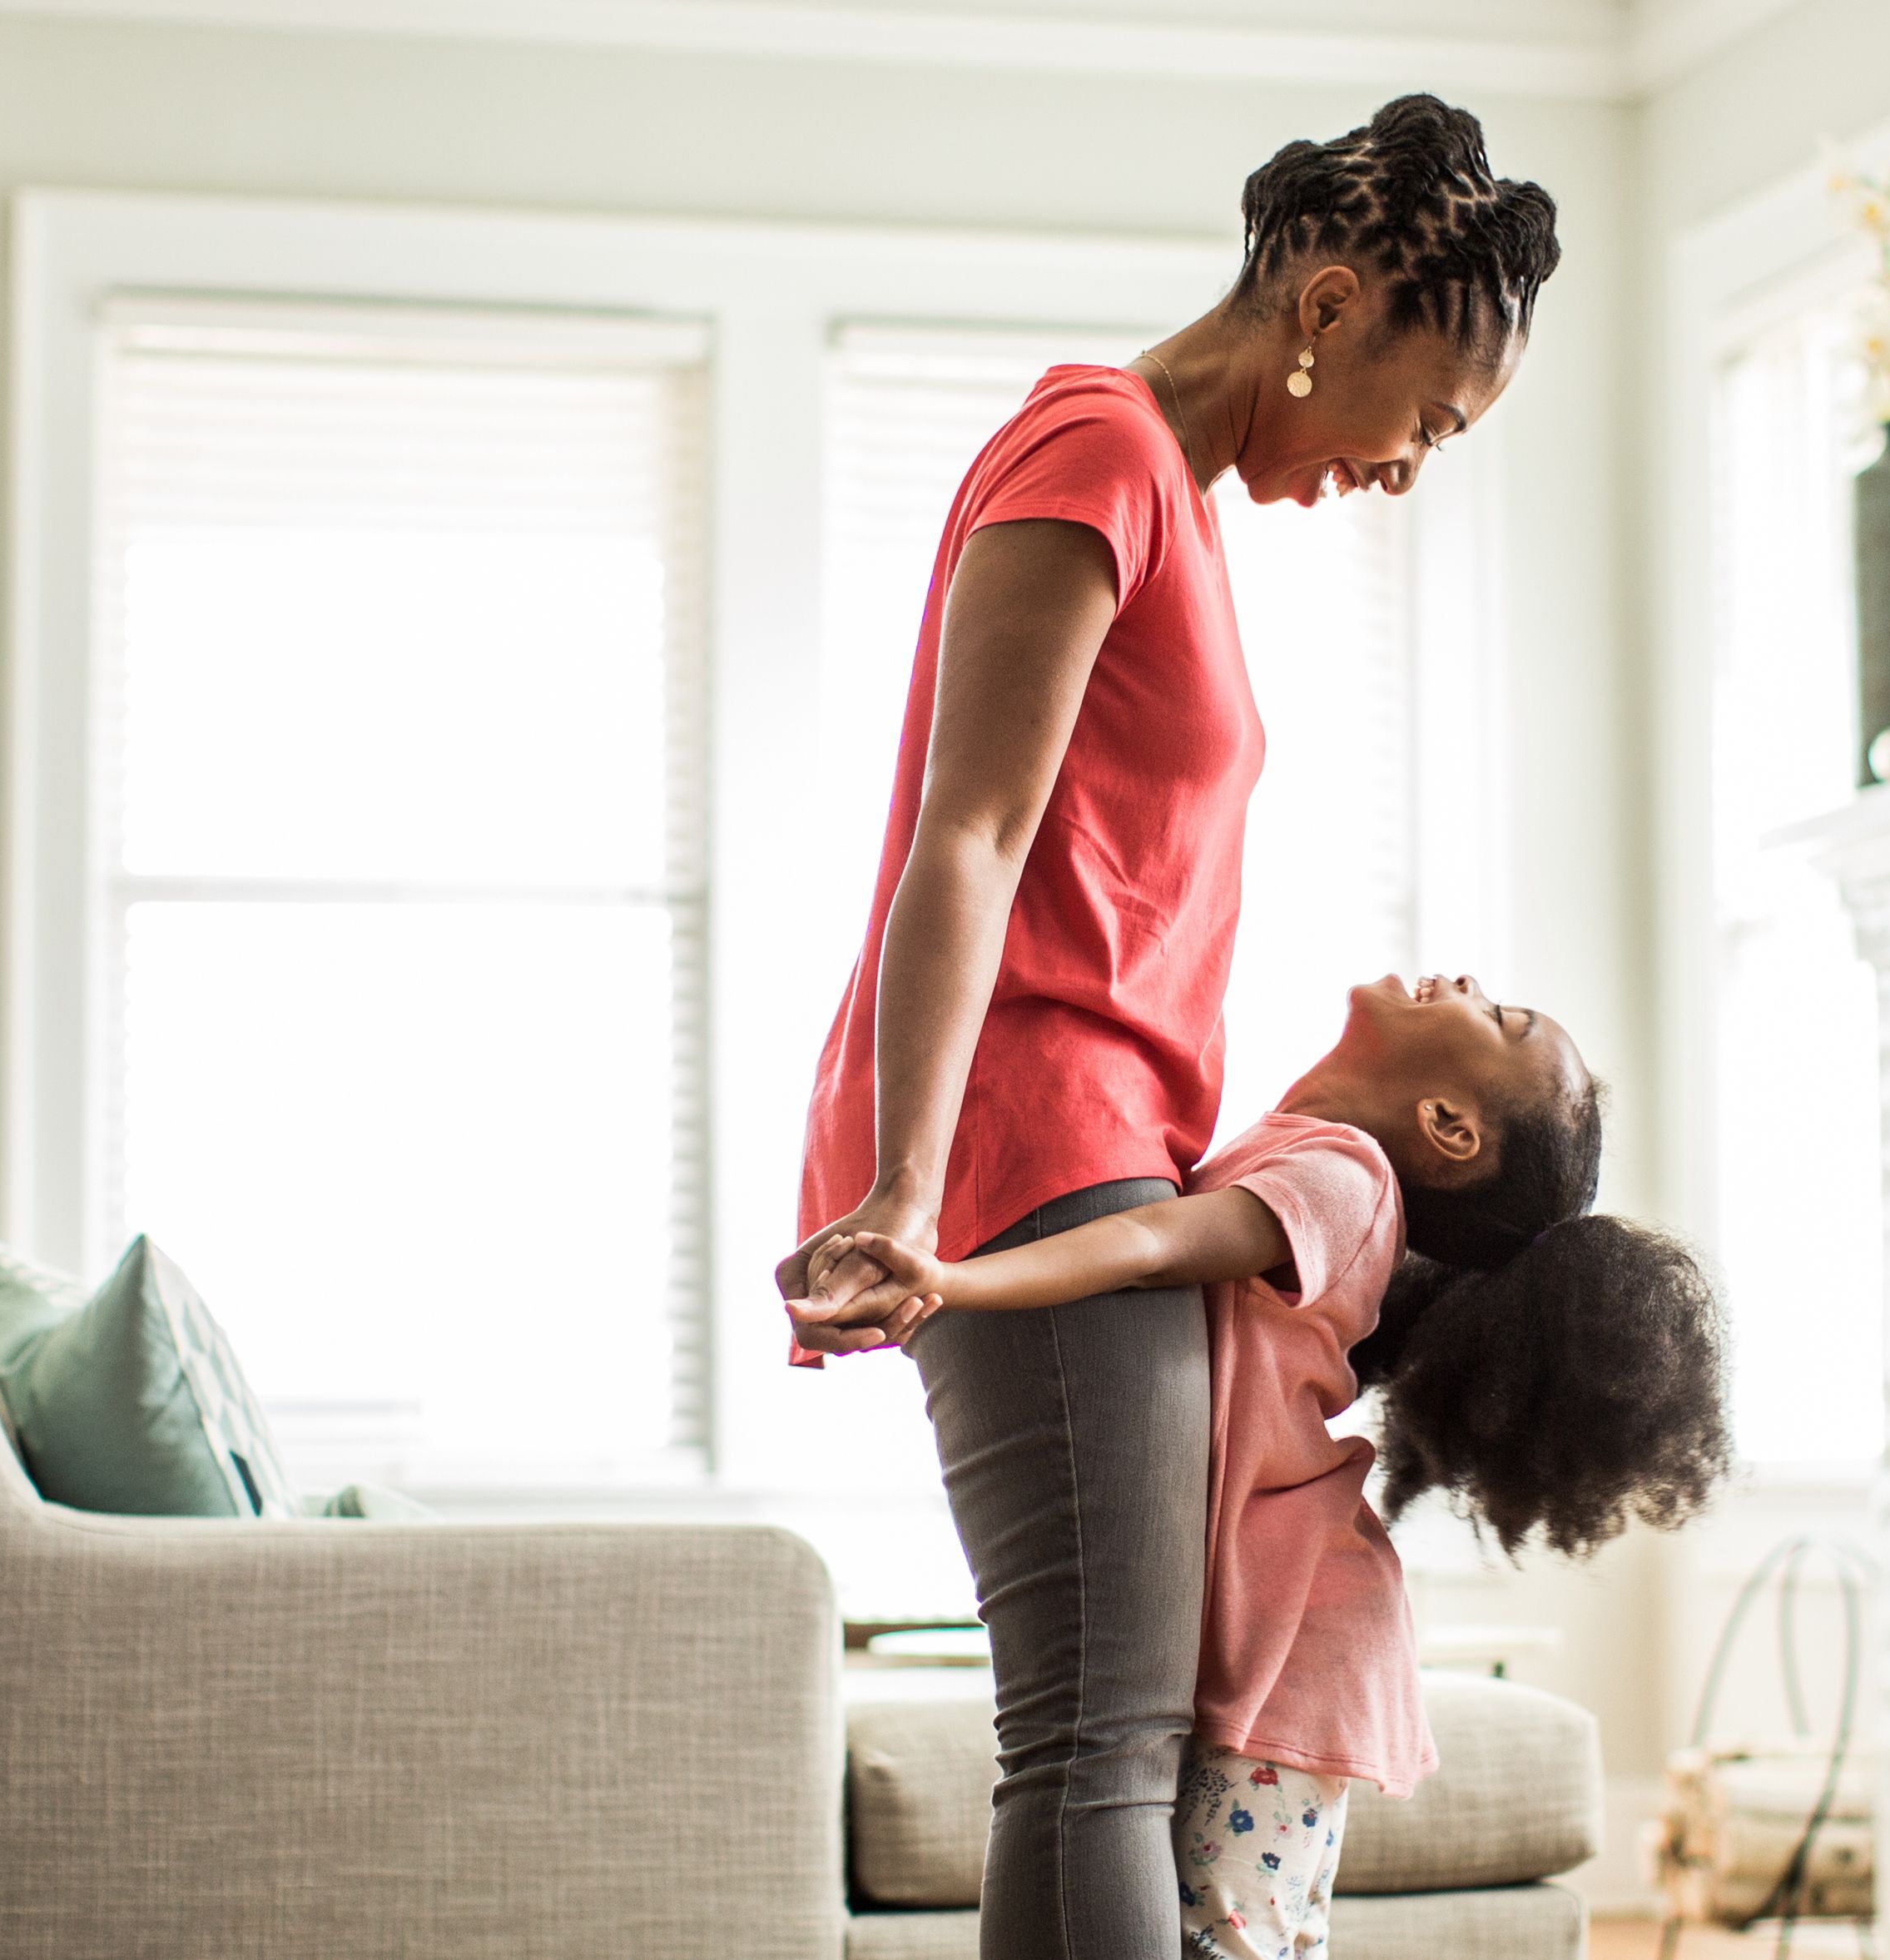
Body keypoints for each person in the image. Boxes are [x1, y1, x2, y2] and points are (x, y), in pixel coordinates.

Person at [776, 97, 1564, 1960]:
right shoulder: (1098, 447)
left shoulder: (1170, 502)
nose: (1406, 466)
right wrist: (908, 1184)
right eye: (1425, 417)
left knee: (1103, 1739)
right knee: (1095, 1744)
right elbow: (965, 830)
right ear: (1327, 300)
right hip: (1027, 1143)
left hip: (1088, 1140)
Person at [794, 974, 1733, 1960]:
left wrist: (948, 1281)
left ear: (1449, 1125)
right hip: (1276, 1624)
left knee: (1234, 1945)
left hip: (1294, 1637)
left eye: (1497, 1017)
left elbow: (1149, 1246)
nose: (1465, 984)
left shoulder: (1345, 1179)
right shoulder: (1299, 1158)